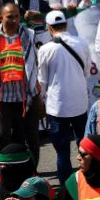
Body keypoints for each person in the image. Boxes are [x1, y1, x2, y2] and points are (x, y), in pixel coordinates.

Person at [0, 3, 41, 161]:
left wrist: (38, 91)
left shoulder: (29, 35)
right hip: (2, 98)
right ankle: (7, 171)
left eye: (17, 16)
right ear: (0, 17)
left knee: (32, 137)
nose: (14, 20)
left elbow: (36, 63)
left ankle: (32, 172)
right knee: (3, 136)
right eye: (10, 16)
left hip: (27, 95)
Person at [38, 10, 91, 184]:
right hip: (80, 103)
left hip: (57, 106)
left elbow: (43, 81)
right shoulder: (82, 43)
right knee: (84, 148)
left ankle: (67, 192)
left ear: (48, 28)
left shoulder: (45, 49)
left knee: (62, 152)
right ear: (66, 25)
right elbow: (87, 72)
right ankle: (89, 183)